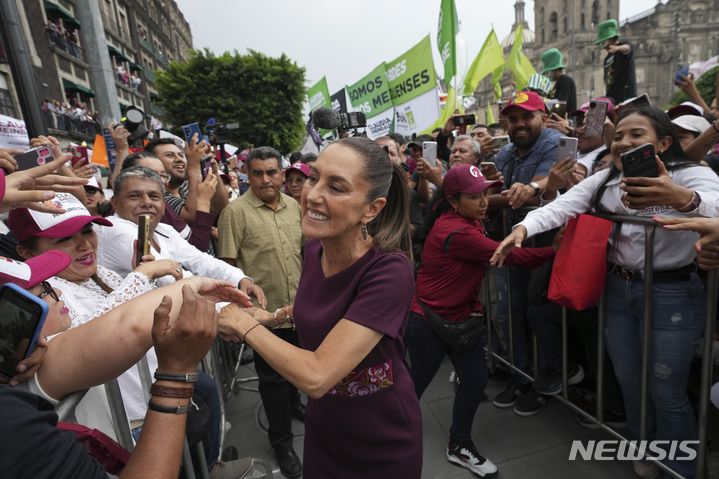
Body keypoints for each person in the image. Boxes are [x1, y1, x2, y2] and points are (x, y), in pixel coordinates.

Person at [492, 105, 719, 478]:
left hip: (673, 294)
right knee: (629, 379)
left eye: (636, 135)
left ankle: (681, 466)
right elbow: (564, 204)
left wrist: (681, 198)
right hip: (618, 292)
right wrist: (524, 228)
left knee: (666, 389)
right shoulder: (605, 180)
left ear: (663, 143)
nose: (624, 143)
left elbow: (714, 205)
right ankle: (646, 447)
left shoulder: (693, 174)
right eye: (619, 137)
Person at [217, 137, 422, 478]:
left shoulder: (389, 271)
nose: (311, 194)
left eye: (336, 187)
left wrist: (244, 325)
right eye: (314, 178)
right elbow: (310, 307)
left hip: (380, 436)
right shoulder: (315, 249)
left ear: (372, 208)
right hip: (325, 426)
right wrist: (271, 317)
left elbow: (317, 375)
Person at [407, 164, 557, 477]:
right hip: (429, 322)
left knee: (474, 381)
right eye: (475, 196)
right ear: (453, 201)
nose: (484, 201)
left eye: (485, 193)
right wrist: (555, 251)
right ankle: (387, 442)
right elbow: (510, 256)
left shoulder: (466, 218)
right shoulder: (457, 231)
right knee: (412, 389)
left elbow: (495, 207)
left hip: (461, 318)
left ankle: (459, 444)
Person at [217, 146, 304, 478]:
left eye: (272, 172)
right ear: (247, 175)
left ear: (282, 174)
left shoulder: (295, 206)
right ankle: (282, 443)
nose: (266, 179)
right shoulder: (235, 212)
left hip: (298, 308)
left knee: (297, 368)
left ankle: (295, 405)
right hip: (262, 316)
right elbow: (225, 267)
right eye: (258, 173)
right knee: (272, 381)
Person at [595, 19, 637, 104]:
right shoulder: (607, 59)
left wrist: (618, 48)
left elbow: (628, 48)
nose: (603, 47)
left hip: (625, 97)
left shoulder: (623, 48)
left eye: (604, 42)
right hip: (612, 98)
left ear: (610, 39)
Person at [540, 48, 577, 113]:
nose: (548, 75)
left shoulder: (565, 80)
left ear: (555, 70)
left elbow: (561, 102)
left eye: (548, 72)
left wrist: (543, 100)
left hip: (567, 119)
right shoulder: (557, 83)